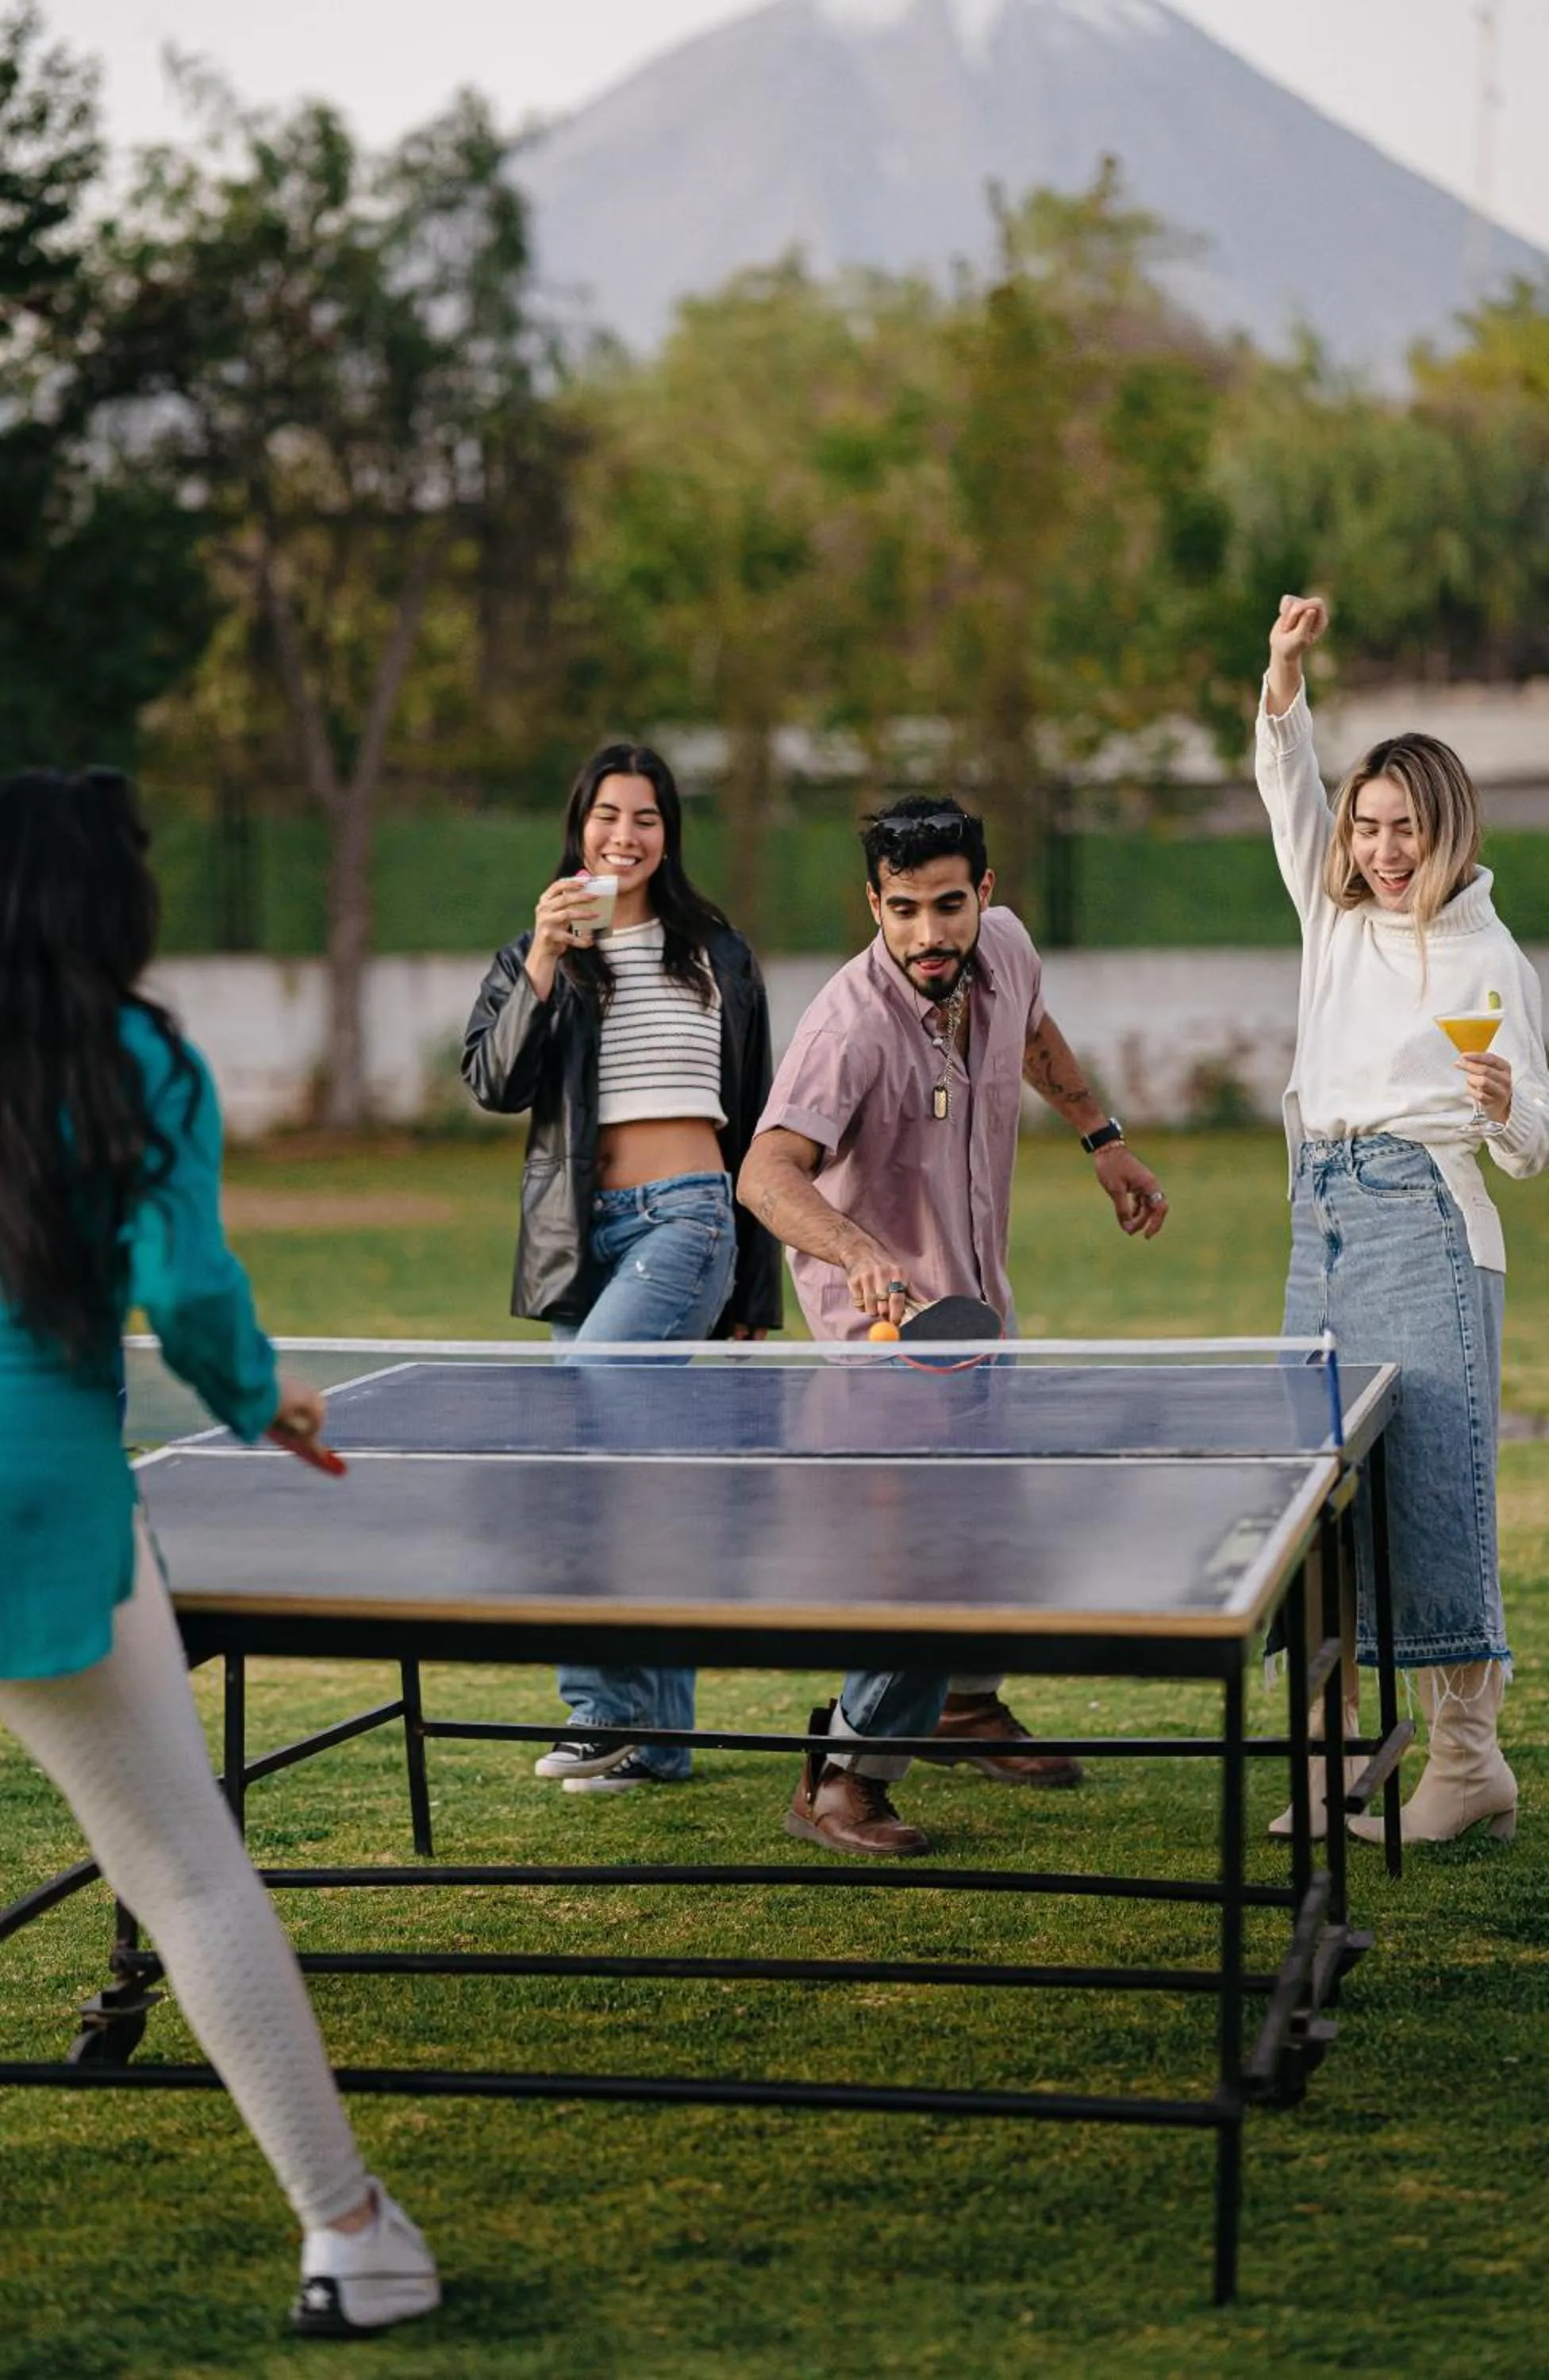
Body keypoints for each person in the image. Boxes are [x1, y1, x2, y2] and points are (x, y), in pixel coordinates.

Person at [0, 768, 439, 2337]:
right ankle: (352, 2235)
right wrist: (264, 1399)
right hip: (38, 1489)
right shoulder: (140, 1059)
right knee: (185, 1874)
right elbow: (186, 1295)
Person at [736, 795, 1170, 1856]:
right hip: (883, 1342)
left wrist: (1101, 1136)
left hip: (979, 1312)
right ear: (872, 905)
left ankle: (967, 1707)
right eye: (902, 912)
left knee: (994, 1521)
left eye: (947, 905)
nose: (928, 935)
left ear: (983, 893)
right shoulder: (847, 1027)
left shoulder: (1005, 951)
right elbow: (763, 1174)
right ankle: (840, 1773)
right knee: (923, 1555)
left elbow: (1030, 1028)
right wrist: (859, 1251)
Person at [1258, 595, 1549, 1844]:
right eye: (1368, 824)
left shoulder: (1492, 957)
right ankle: (1331, 1765)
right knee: (1318, 1501)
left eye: (1404, 827)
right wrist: (1284, 674)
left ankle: (1468, 1764)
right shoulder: (1332, 924)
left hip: (1429, 1217)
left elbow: (1532, 1146)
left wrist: (1499, 1105)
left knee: (1431, 1489)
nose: (1381, 847)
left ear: (1447, 828)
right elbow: (1284, 782)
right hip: (1320, 1217)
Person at [463, 743, 782, 1791]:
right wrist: (547, 959)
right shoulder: (542, 951)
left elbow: (763, 1129)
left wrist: (752, 1291)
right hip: (579, 1239)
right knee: (634, 1482)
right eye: (608, 815)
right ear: (580, 825)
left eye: (646, 818)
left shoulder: (717, 952)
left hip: (686, 1222)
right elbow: (496, 1083)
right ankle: (660, 1738)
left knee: (579, 1443)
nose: (625, 835)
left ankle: (603, 1717)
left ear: (668, 833)